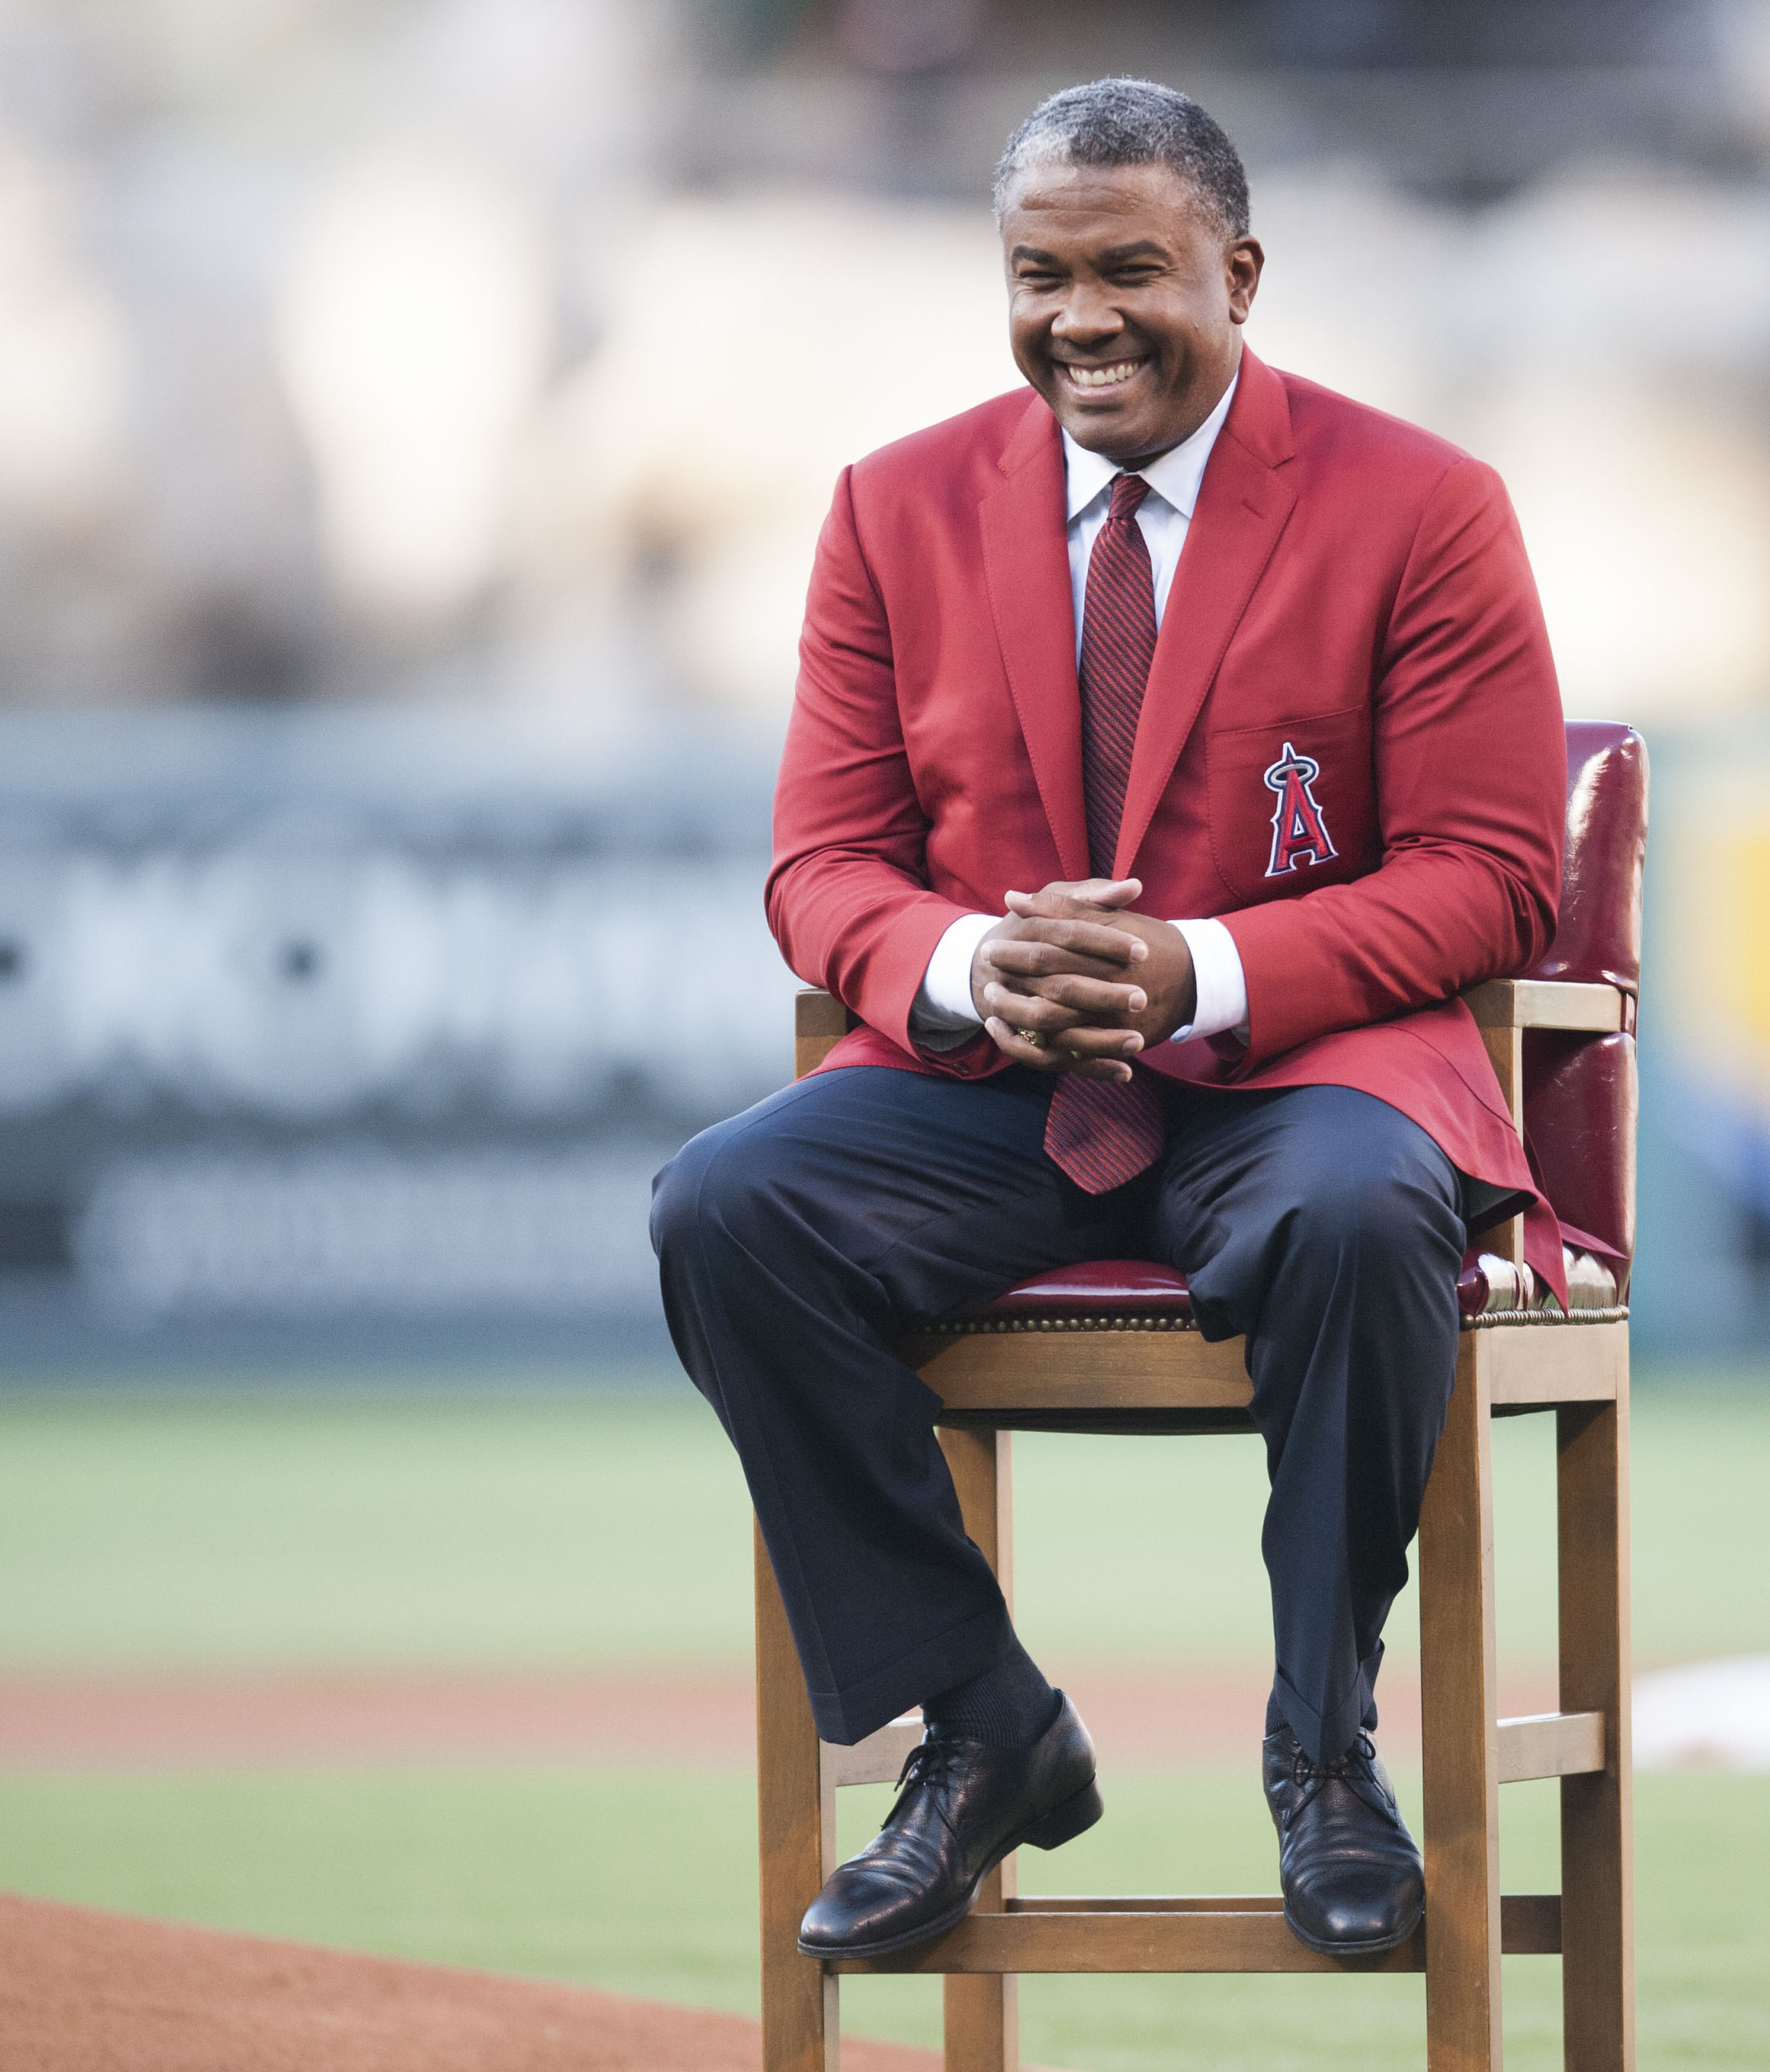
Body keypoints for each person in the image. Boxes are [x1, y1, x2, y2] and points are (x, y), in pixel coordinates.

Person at [650, 77, 1568, 1966]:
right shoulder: (887, 507)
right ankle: (980, 1723)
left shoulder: (1425, 504)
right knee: (723, 1209)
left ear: (1236, 273)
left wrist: (1198, 970)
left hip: (1295, 1076)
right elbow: (819, 868)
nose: (1080, 319)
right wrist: (971, 965)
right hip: (987, 1088)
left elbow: (1492, 874)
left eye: (1131, 271)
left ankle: (1324, 1750)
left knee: (1349, 1215)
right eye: (1038, 275)